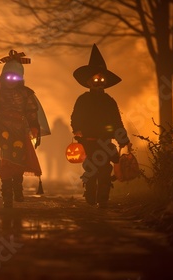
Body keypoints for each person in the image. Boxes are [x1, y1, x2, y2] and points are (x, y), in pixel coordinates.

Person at [0, 50, 47, 208]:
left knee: (19, 161)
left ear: (20, 78)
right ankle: (6, 193)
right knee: (5, 161)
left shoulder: (26, 94)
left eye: (15, 77)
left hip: (20, 131)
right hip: (2, 131)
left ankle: (17, 188)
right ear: (3, 76)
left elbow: (31, 112)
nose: (11, 80)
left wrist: (34, 126)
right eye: (9, 76)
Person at [71, 44, 130, 209]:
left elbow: (117, 121)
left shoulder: (109, 101)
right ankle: (90, 192)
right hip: (87, 141)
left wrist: (122, 138)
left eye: (102, 80)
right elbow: (75, 117)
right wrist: (77, 129)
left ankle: (103, 197)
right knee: (90, 169)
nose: (99, 83)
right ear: (89, 82)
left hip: (105, 141)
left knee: (104, 170)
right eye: (96, 80)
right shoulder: (82, 100)